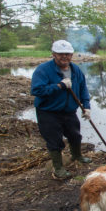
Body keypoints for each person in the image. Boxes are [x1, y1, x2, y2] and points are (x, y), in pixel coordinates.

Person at [31, 40, 92, 179]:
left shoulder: (76, 70)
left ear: (72, 55)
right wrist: (59, 86)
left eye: (68, 54)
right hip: (48, 112)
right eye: (61, 54)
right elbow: (36, 90)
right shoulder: (43, 70)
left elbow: (83, 89)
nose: (65, 57)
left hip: (69, 111)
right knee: (54, 140)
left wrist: (86, 107)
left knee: (75, 135)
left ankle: (77, 156)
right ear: (53, 54)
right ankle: (58, 168)